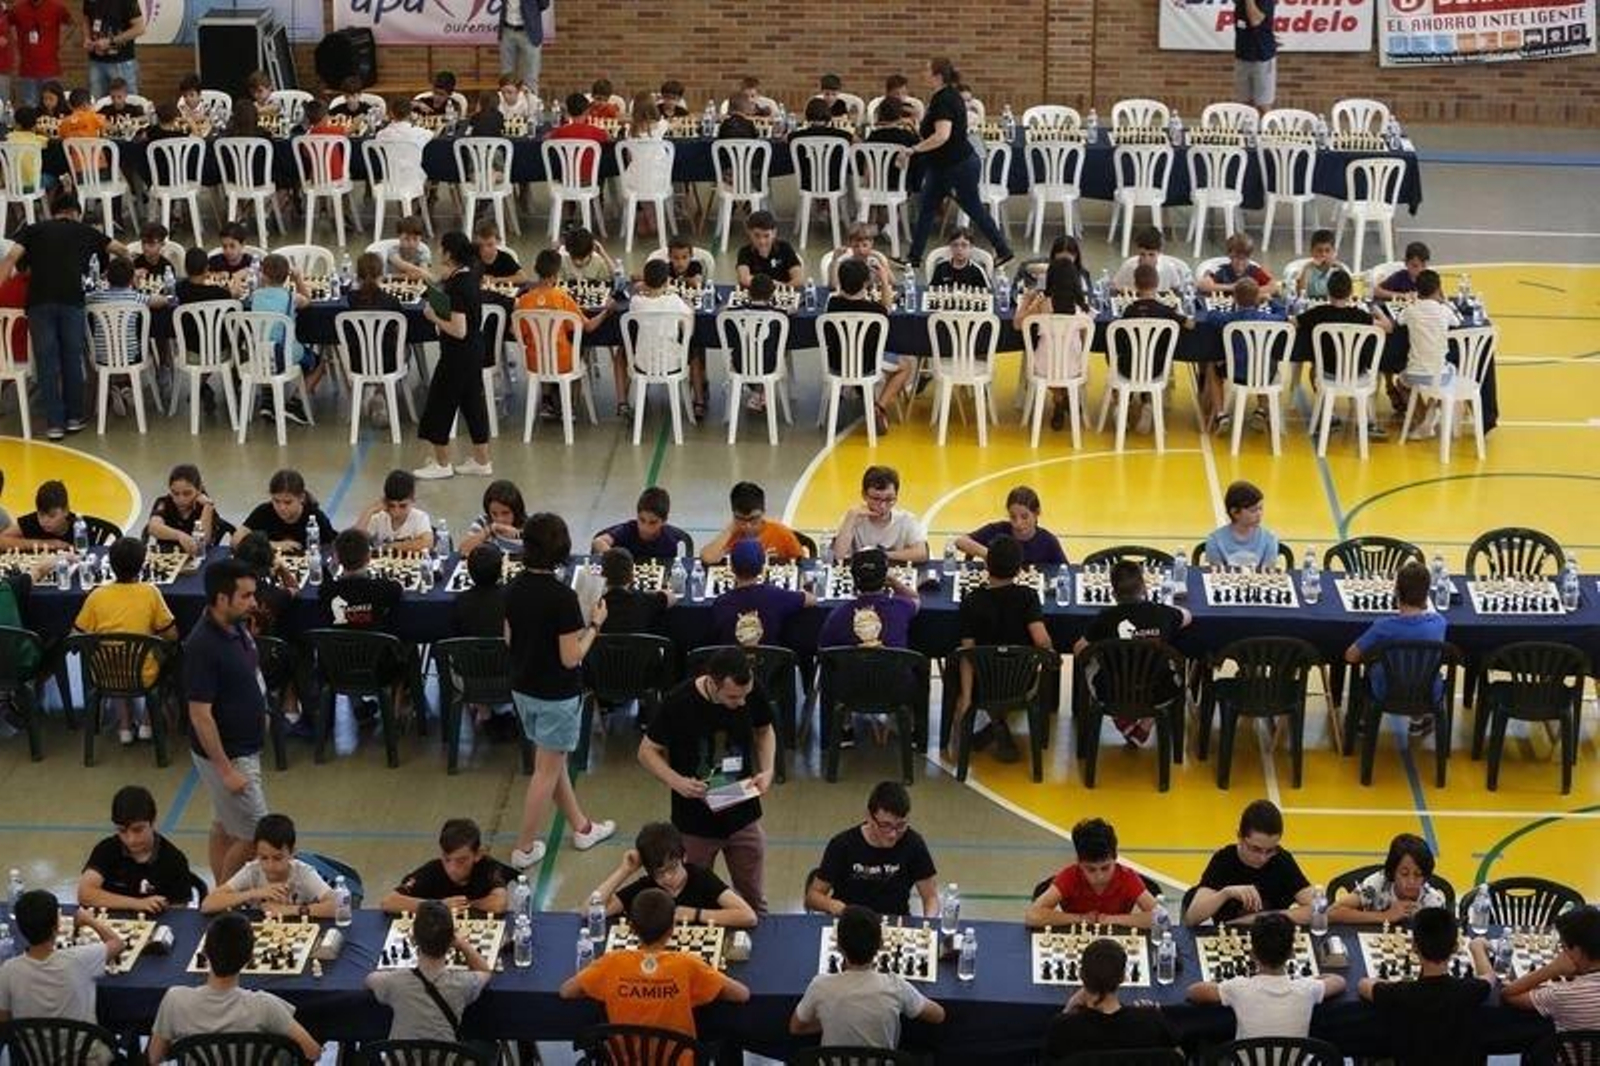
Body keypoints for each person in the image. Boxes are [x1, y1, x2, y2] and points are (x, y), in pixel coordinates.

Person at [505, 513, 616, 870]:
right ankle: (524, 847)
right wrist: (595, 626)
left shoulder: (513, 589)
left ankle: (582, 827)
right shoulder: (563, 598)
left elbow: (509, 639)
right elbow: (572, 657)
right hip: (557, 695)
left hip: (523, 689)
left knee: (553, 764)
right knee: (546, 772)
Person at [639, 647, 776, 913]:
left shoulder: (749, 690)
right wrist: (677, 781)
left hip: (742, 812)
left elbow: (764, 730)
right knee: (692, 899)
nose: (742, 703)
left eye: (745, 695)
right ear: (713, 683)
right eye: (733, 697)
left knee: (753, 900)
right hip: (694, 822)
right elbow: (646, 752)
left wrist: (768, 769)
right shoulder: (678, 702)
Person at [0, 192, 127, 440]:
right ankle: (74, 418)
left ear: (54, 212)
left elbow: (11, 258)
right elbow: (120, 249)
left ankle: (54, 424)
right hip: (72, 301)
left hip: (39, 303)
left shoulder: (33, 229)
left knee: (47, 364)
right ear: (75, 213)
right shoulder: (83, 230)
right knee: (72, 360)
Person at [561, 888, 750, 1038]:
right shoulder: (688, 964)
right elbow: (742, 994)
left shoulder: (612, 962)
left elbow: (566, 991)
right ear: (672, 930)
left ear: (632, 929)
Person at [184, 560, 270, 883]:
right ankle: (226, 898)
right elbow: (200, 715)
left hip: (245, 745)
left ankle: (219, 888)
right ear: (222, 599)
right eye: (246, 596)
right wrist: (226, 771)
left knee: (223, 824)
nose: (254, 602)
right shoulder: (203, 646)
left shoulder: (235, 627)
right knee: (254, 836)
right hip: (231, 755)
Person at [146, 912, 322, 1064]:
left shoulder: (175, 999)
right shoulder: (265, 1006)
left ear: (205, 952)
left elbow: (155, 1057)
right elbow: (313, 1052)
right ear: (249, 958)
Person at [903, 57, 1014, 271]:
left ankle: (1003, 250)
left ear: (937, 76)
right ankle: (914, 257)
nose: (922, 73)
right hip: (942, 165)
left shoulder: (944, 99)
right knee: (926, 207)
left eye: (927, 69)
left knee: (973, 208)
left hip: (957, 165)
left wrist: (914, 149)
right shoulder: (944, 95)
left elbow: (942, 136)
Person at [954, 535, 1056, 760]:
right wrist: (1050, 652)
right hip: (1020, 683)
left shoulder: (972, 600)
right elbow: (1041, 640)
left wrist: (967, 696)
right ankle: (998, 723)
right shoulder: (1028, 596)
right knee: (1045, 665)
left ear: (987, 565)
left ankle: (994, 723)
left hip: (983, 681)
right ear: (1019, 569)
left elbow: (967, 653)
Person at [1071, 558, 1190, 747]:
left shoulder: (1105, 618)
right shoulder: (1162, 613)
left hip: (1111, 692)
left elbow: (1079, 650)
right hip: (1159, 691)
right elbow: (1187, 617)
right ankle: (1146, 723)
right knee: (1174, 668)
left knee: (1091, 661)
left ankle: (1122, 719)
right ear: (1144, 587)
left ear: (1113, 593)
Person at [790, 904, 945, 1048]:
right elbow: (938, 1015)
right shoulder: (895, 986)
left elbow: (795, 1028)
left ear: (838, 946)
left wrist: (829, 1021)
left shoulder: (820, 986)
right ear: (881, 945)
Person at [72, 536, 177, 743]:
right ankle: (147, 722)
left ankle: (125, 727)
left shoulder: (96, 595)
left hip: (105, 675)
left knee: (113, 659)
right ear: (141, 566)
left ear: (110, 564)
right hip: (143, 675)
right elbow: (172, 635)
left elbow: (75, 637)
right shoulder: (150, 592)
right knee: (167, 655)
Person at [1359, 907, 1495, 1066]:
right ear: (1455, 948)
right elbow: (1490, 977)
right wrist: (1477, 947)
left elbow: (1363, 984)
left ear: (1414, 947)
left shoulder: (1399, 993)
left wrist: (1397, 984)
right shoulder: (1471, 990)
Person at [0, 888, 125, 1058]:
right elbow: (117, 943)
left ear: (20, 928)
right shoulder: (79, 959)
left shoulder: (8, 970)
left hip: (37, 1060)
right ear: (57, 926)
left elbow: (5, 1023)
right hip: (87, 1060)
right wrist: (89, 920)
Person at [415, 231, 494, 480]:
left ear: (449, 253)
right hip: (473, 352)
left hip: (457, 354)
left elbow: (459, 330)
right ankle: (482, 461)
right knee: (472, 406)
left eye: (441, 249)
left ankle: (442, 463)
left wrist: (433, 316)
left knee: (440, 405)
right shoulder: (469, 274)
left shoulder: (459, 286)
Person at [1188, 912, 1344, 1037]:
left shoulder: (1237, 987)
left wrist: (1223, 985)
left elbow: (1193, 992)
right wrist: (1307, 980)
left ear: (1252, 954)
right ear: (1291, 954)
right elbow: (1339, 981)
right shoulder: (1308, 988)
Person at [366, 899, 492, 1044]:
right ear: (451, 939)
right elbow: (485, 972)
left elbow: (370, 979)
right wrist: (462, 944)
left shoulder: (394, 982)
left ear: (413, 939)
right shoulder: (463, 983)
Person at [514, 246, 619, 419]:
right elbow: (588, 327)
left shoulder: (524, 300)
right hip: (563, 362)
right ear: (556, 275)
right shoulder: (562, 298)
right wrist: (606, 311)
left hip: (533, 361)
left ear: (536, 271)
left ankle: (547, 401)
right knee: (577, 349)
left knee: (543, 349)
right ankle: (567, 404)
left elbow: (515, 330)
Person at [807, 781, 938, 918]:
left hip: (894, 923)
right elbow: (813, 896)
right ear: (869, 817)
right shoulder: (842, 845)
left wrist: (928, 922)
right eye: (885, 825)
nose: (893, 834)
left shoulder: (913, 844)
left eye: (901, 825)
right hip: (850, 923)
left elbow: (930, 898)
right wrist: (832, 905)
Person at [1343, 562, 1447, 730]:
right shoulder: (1440, 623)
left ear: (1396, 592)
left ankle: (1362, 721)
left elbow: (1351, 656)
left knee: (1371, 668)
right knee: (1420, 667)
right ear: (1427, 594)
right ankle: (1418, 720)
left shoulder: (1383, 626)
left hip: (1387, 691)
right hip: (1428, 692)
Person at [593, 821, 756, 928]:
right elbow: (591, 911)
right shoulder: (647, 886)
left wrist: (695, 914)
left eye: (673, 868)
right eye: (659, 873)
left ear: (683, 856)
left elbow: (748, 916)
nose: (668, 878)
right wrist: (625, 870)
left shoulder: (702, 878)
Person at [1184, 800, 1315, 925]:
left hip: (1270, 939)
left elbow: (1317, 910)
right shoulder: (1224, 860)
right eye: (1255, 849)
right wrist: (1225, 893)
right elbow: (1192, 918)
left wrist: (1256, 919)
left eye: (1270, 850)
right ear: (1240, 837)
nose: (1263, 858)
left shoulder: (1282, 861)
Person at [1043, 938, 1179, 1057]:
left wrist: (1068, 1009)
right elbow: (1176, 1058)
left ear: (1081, 975)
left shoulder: (1064, 1027)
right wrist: (1153, 1016)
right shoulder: (1151, 1021)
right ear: (1122, 978)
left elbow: (1053, 1054)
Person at [823, 256, 913, 434]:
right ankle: (879, 407)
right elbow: (887, 306)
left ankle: (861, 396)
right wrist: (884, 280)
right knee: (906, 366)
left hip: (836, 364)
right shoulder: (876, 311)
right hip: (868, 365)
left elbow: (838, 294)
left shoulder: (831, 305)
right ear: (866, 283)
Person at [78, 785, 195, 911]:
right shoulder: (106, 849)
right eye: (122, 831)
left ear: (153, 821)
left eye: (138, 830)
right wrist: (138, 904)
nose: (131, 839)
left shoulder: (174, 860)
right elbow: (85, 893)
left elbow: (179, 912)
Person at [1028, 818, 1159, 929]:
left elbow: (1161, 917)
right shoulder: (1070, 876)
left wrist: (1111, 919)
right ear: (1079, 862)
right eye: (1091, 869)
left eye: (1105, 868)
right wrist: (1080, 918)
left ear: (1115, 858)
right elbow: (1032, 915)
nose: (1099, 876)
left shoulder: (1127, 877)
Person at [1014, 256, 1095, 430]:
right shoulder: (1082, 307)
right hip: (1073, 368)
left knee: (1049, 367)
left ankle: (1058, 399)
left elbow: (1018, 324)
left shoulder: (1042, 303)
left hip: (1044, 366)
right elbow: (1085, 336)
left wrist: (1027, 301)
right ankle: (1064, 399)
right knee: (1071, 363)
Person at [200, 813, 335, 918]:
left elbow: (338, 906)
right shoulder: (252, 871)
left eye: (277, 858)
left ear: (292, 852)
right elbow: (207, 904)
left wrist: (290, 910)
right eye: (263, 858)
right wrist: (253, 893)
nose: (270, 866)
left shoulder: (303, 873)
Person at [244, 252, 318, 424]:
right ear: (287, 277)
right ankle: (295, 403)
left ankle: (268, 402)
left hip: (258, 357)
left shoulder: (255, 296)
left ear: (262, 273)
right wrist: (298, 279)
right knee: (321, 362)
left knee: (266, 355)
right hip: (284, 356)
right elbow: (308, 299)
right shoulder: (291, 297)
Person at [380, 818, 509, 914]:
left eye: (461, 861)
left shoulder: (488, 867)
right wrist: (438, 906)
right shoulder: (432, 870)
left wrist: (463, 905)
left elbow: (499, 904)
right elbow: (388, 902)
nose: (452, 869)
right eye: (447, 859)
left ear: (478, 854)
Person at [1503, 906, 1600, 1031]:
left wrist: (1552, 968)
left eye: (1563, 947)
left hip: (1567, 1049)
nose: (1561, 952)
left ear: (1577, 951)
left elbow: (1509, 994)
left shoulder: (1562, 994)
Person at [1395, 268, 1462, 439]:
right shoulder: (1444, 311)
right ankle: (1432, 412)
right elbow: (1457, 321)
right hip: (1439, 375)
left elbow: (1399, 320)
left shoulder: (1411, 310)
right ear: (1438, 289)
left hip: (1414, 374)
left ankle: (1423, 419)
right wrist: (1444, 301)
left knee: (1400, 382)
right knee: (1450, 373)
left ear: (1417, 290)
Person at [711, 539, 815, 648]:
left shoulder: (721, 603)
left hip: (734, 664)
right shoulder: (776, 596)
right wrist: (803, 589)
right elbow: (812, 600)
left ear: (731, 567)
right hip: (770, 663)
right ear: (763, 568)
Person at [1329, 832, 1449, 925]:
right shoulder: (1377, 884)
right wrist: (1386, 916)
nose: (1411, 882)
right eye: (1404, 874)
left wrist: (1423, 920)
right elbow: (1332, 912)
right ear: (1393, 871)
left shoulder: (1433, 902)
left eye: (1418, 875)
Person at [817, 547, 919, 651]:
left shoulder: (837, 615)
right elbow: (915, 599)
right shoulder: (900, 607)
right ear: (885, 577)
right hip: (892, 667)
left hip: (852, 667)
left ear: (853, 578)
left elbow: (825, 652)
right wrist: (894, 582)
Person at [831, 465, 928, 562]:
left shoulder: (906, 519)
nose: (882, 506)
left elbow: (921, 553)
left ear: (896, 496)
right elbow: (838, 556)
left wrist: (881, 555)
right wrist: (850, 518)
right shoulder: (853, 517)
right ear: (864, 495)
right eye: (876, 499)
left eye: (889, 499)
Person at [955, 486, 1067, 566]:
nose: (1018, 523)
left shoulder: (1048, 542)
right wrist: (989, 554)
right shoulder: (997, 531)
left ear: (1036, 513)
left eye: (1024, 517)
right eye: (1013, 517)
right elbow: (960, 542)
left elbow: (1066, 571)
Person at [699, 481, 805, 564]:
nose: (747, 526)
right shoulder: (731, 535)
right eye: (741, 519)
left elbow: (803, 564)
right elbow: (707, 558)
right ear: (733, 515)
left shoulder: (781, 533)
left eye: (753, 519)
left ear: (763, 512)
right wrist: (730, 529)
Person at [233, 469, 336, 551]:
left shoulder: (316, 517)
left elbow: (333, 548)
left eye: (288, 502)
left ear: (301, 498)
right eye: (276, 501)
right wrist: (272, 545)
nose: (282, 508)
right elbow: (236, 540)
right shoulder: (263, 512)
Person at [319, 529, 402, 631]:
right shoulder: (385, 589)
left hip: (336, 645)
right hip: (376, 645)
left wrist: (330, 572)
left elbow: (323, 587)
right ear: (368, 557)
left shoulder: (327, 591)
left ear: (337, 558)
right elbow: (397, 588)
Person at [592, 485, 692, 562]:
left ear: (664, 521)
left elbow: (667, 568)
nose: (645, 527)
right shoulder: (628, 530)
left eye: (653, 522)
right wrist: (616, 559)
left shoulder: (669, 541)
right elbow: (598, 542)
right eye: (641, 520)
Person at [1203, 479, 1281, 570]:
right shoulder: (1215, 541)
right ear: (1235, 512)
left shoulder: (1269, 539)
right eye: (1253, 510)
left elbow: (1268, 573)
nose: (1259, 514)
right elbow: (1216, 573)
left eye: (1261, 508)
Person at [598, 548, 675, 636]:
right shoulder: (646, 600)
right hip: (640, 649)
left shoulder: (596, 604)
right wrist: (651, 592)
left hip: (602, 649)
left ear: (602, 576)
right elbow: (672, 597)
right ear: (632, 577)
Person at [356, 469, 434, 553]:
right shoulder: (379, 517)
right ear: (385, 501)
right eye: (391, 505)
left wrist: (390, 546)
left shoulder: (420, 517)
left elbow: (427, 543)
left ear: (413, 499)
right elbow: (355, 541)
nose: (396, 511)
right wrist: (370, 510)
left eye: (403, 506)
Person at [788, 97, 854, 195]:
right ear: (828, 114)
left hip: (807, 183)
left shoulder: (795, 137)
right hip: (834, 182)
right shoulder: (843, 136)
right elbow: (858, 141)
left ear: (807, 115)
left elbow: (785, 139)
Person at [11, 0, 71, 107]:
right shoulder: (18, 8)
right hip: (27, 69)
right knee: (30, 105)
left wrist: (61, 41)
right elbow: (8, 26)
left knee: (52, 106)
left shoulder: (56, 6)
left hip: (50, 69)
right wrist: (15, 41)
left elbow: (72, 24)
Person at [451, 545, 507, 641]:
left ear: (469, 571)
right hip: (504, 653)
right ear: (500, 572)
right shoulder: (509, 599)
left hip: (469, 654)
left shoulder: (460, 601)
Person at [735, 209, 803, 288]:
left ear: (774, 233)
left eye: (766, 236)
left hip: (781, 294)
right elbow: (744, 279)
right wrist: (771, 284)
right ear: (749, 232)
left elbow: (798, 279)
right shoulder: (744, 252)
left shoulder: (785, 248)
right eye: (757, 235)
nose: (762, 241)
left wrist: (782, 287)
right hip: (756, 296)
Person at [1110, 228, 1191, 292]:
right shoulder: (1128, 266)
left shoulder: (1168, 267)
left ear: (1159, 252)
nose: (1146, 260)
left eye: (1151, 255)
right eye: (1142, 254)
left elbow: (1176, 287)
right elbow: (1116, 287)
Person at [2, 478, 75, 549]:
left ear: (66, 510)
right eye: (41, 515)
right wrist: (46, 543)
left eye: (52, 516)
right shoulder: (31, 522)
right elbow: (1, 540)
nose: (45, 521)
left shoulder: (82, 526)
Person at [460, 479, 527, 555]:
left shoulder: (528, 527)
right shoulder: (483, 522)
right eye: (494, 514)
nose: (500, 519)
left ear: (516, 511)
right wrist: (490, 530)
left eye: (505, 513)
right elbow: (463, 550)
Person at [1233, 0, 1278, 110]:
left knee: (1263, 104)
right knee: (1243, 104)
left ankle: (1265, 126)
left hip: (1262, 56)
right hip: (1242, 55)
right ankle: (1248, 127)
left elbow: (1255, 20)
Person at [1200, 232, 1276, 296]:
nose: (1240, 262)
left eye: (1244, 259)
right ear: (1229, 255)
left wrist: (1250, 291)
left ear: (1250, 257)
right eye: (1236, 258)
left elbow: (1273, 287)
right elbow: (1203, 285)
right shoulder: (1219, 269)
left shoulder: (1255, 271)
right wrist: (1233, 287)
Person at [497, 0, 548, 94]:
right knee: (506, 73)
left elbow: (544, 4)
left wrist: (530, 13)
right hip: (507, 31)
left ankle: (531, 107)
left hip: (529, 33)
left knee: (531, 76)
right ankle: (506, 107)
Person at [385, 215, 433, 281]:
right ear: (399, 237)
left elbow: (423, 274)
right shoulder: (393, 250)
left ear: (421, 238)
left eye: (415, 239)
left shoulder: (423, 251)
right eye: (406, 239)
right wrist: (421, 272)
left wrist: (394, 276)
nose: (411, 243)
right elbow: (401, 264)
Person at [1295, 229, 1340, 299]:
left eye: (1327, 251)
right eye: (1319, 251)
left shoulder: (1337, 270)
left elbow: (1345, 294)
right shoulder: (1307, 269)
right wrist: (1307, 268)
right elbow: (1300, 294)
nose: (1323, 254)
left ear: (1333, 252)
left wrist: (1338, 268)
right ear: (1312, 251)